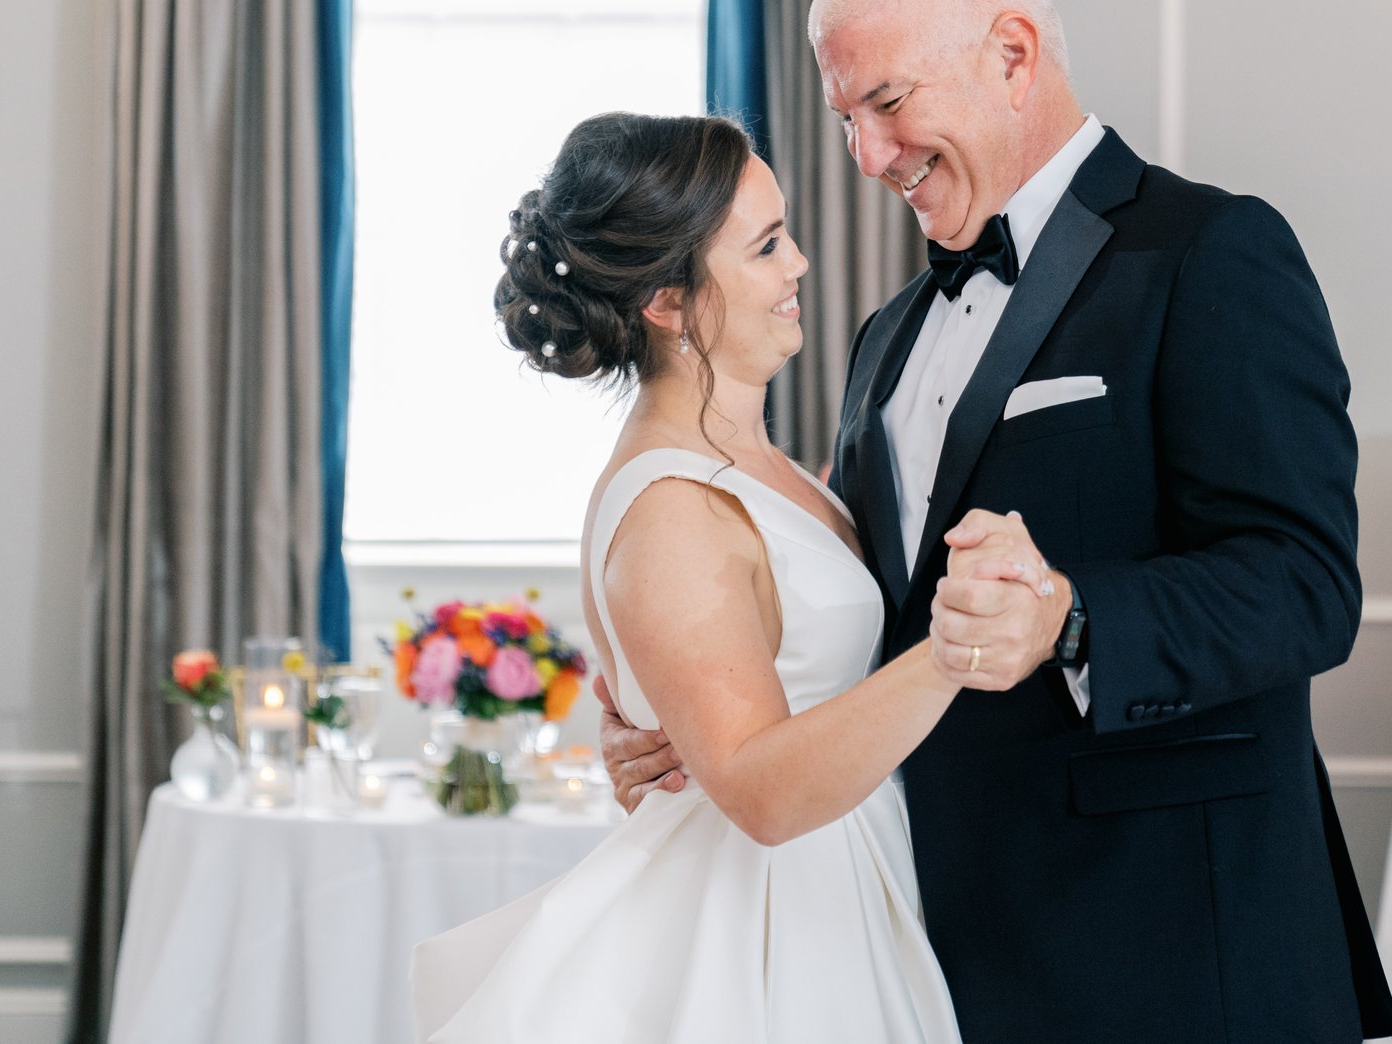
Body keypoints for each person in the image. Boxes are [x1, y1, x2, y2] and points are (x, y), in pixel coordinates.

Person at [599, 0, 1392, 1042]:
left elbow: (1306, 585)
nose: (869, 159)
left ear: (1012, 56)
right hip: (938, 950)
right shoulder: (885, 337)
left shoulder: (1210, 252)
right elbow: (868, 608)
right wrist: (704, 712)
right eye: (846, 122)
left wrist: (1071, 615)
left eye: (887, 104)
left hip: (1175, 956)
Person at [412, 112, 992, 1041]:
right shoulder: (672, 508)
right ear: (670, 303)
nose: (800, 264)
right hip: (768, 931)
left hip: (843, 883)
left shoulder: (757, 464)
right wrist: (961, 645)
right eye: (765, 247)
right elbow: (760, 791)